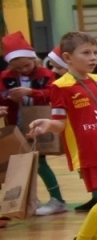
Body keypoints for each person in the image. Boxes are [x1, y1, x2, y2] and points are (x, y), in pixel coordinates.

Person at [30, 31, 97, 240]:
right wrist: (47, 124)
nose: (93, 57)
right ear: (68, 57)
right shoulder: (61, 86)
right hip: (90, 152)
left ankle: (94, 239)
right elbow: (59, 124)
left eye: (94, 52)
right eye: (86, 53)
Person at [1, 32, 69, 214]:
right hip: (15, 127)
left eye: (26, 65)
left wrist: (31, 92)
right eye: (18, 68)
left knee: (40, 162)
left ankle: (57, 199)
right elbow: (2, 97)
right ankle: (30, 200)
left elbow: (53, 94)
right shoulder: (5, 77)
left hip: (39, 123)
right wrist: (6, 102)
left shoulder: (46, 74)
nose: (23, 70)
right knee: (18, 165)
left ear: (34, 59)